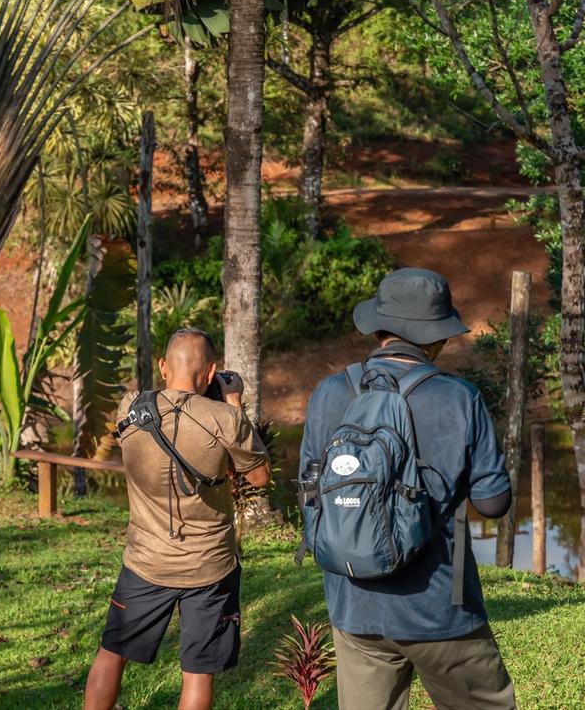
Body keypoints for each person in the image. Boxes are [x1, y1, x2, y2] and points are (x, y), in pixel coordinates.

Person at [300, 267, 516, 710]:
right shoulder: (459, 398)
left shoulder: (328, 393)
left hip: (354, 605)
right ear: (436, 338)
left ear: (379, 327)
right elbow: (493, 503)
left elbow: (308, 491)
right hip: (439, 608)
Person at [84, 328, 270, 710]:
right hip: (209, 567)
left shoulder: (130, 407)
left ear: (163, 367)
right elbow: (259, 477)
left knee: (112, 652)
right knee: (198, 673)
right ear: (211, 372)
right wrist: (233, 401)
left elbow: (137, 437)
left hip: (145, 562)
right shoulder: (225, 419)